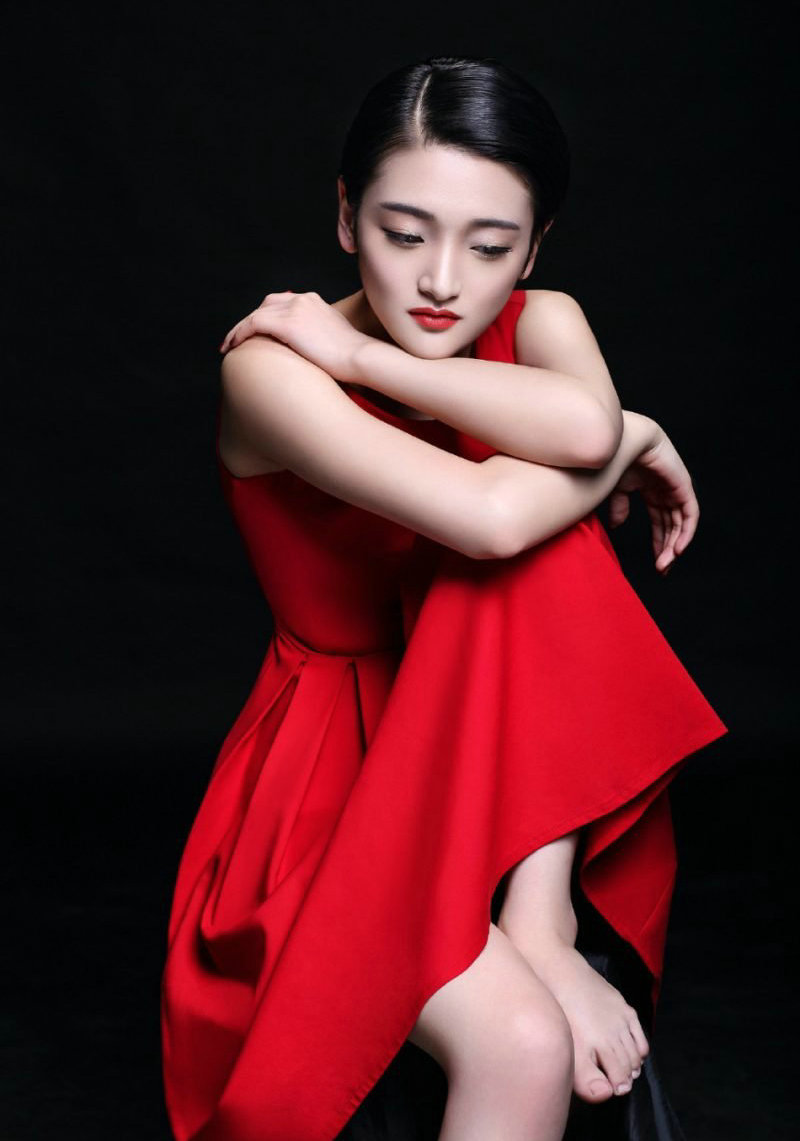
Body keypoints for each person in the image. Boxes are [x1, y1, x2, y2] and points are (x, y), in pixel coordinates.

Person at [160, 56, 727, 1141]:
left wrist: (368, 358)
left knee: (547, 531)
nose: (440, 281)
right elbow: (490, 518)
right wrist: (632, 438)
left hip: (495, 743)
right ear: (345, 216)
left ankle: (539, 913)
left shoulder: (545, 322)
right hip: (332, 773)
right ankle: (530, 930)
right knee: (520, 1042)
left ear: (535, 246)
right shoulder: (270, 369)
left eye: (490, 246)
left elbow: (578, 438)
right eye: (403, 232)